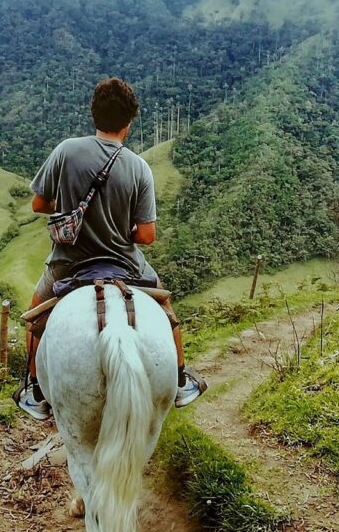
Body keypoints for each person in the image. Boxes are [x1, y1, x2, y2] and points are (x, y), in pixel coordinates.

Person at [13, 77, 207, 420]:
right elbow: (147, 235)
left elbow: (38, 204)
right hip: (125, 264)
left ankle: (35, 388)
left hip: (68, 263)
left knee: (36, 315)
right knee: (166, 309)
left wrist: (74, 210)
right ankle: (179, 379)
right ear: (129, 123)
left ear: (94, 116)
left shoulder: (66, 150)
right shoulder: (139, 167)